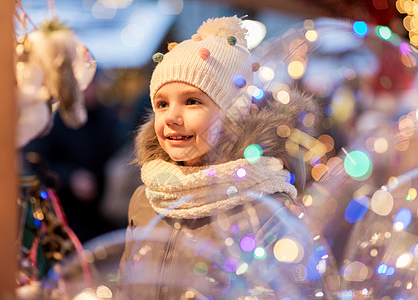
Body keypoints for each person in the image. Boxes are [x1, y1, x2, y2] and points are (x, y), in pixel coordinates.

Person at [117, 16, 329, 299]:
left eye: (192, 101)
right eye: (162, 103)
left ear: (235, 114)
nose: (171, 117)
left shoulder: (268, 212)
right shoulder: (147, 199)